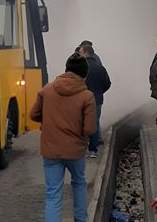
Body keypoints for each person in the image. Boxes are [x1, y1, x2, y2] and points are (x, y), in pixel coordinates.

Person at [30, 53, 97, 222]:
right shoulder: (87, 96)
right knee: (79, 184)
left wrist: (49, 118)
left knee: (53, 192)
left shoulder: (46, 90)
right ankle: (80, 219)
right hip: (75, 151)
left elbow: (34, 114)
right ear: (84, 74)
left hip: (51, 150)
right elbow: (90, 129)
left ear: (66, 69)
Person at [79, 43, 111, 158]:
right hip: (97, 99)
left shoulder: (80, 68)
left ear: (86, 53)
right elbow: (107, 83)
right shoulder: (100, 68)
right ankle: (93, 150)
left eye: (81, 52)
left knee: (81, 123)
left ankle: (82, 149)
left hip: (82, 100)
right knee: (95, 123)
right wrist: (100, 92)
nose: (79, 54)